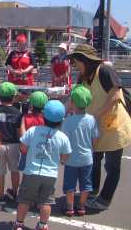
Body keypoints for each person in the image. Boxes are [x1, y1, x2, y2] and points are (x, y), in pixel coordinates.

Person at [68, 44, 131, 210]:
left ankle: (105, 199)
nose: (75, 66)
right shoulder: (82, 77)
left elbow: (116, 96)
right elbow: (75, 99)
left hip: (114, 126)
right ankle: (93, 190)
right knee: (93, 161)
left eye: (76, 62)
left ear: (86, 60)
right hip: (94, 128)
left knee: (112, 166)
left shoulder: (104, 71)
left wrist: (94, 115)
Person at [13, 100, 72, 230]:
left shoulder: (33, 130)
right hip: (50, 174)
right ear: (62, 120)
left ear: (44, 116)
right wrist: (60, 160)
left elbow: (23, 148)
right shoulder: (62, 137)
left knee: (25, 200)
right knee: (46, 202)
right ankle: (42, 225)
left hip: (31, 171)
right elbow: (65, 156)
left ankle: (19, 224)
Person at [62, 85, 99, 217]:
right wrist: (91, 150)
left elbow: (64, 142)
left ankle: (70, 207)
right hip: (87, 158)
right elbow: (95, 140)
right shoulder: (92, 119)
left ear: (72, 103)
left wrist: (63, 157)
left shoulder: (67, 121)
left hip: (71, 159)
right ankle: (82, 206)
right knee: (86, 185)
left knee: (70, 185)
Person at [0, 82, 22, 203]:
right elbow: (19, 131)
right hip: (14, 144)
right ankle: (15, 193)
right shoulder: (17, 113)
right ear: (14, 96)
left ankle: (0, 195)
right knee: (14, 170)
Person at [18, 91, 48, 171]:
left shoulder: (25, 117)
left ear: (31, 104)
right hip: (41, 149)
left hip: (27, 150)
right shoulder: (47, 119)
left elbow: (22, 135)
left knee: (27, 172)